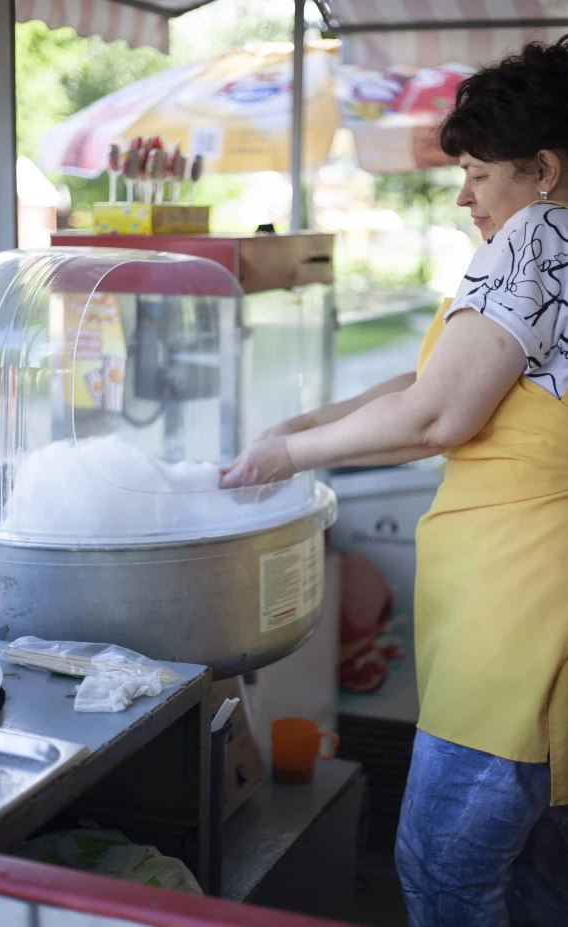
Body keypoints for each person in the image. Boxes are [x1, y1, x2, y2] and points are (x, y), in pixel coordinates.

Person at [220, 36, 568, 927]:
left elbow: (436, 419)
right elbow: (441, 381)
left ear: (545, 171)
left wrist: (284, 458)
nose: (463, 196)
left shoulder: (540, 235)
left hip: (516, 629)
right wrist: (307, 424)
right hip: (541, 626)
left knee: (444, 875)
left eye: (478, 174)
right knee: (541, 885)